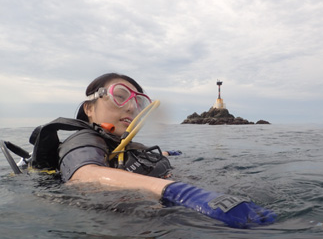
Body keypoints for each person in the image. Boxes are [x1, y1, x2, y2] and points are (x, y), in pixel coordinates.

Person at [28, 72, 276, 228]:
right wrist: (181, 192)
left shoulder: (125, 147)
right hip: (123, 225)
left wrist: (169, 155)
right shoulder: (83, 140)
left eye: (137, 102)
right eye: (121, 96)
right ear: (89, 108)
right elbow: (85, 174)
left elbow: (141, 160)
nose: (130, 108)